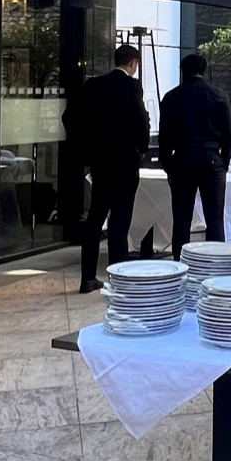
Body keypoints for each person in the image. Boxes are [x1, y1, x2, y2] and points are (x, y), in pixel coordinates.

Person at [64, 43, 150, 293]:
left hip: (100, 163)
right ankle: (118, 278)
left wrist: (86, 148)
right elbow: (140, 120)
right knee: (119, 222)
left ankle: (88, 278)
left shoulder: (93, 86)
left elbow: (69, 117)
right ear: (133, 63)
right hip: (125, 163)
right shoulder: (132, 86)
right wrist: (141, 148)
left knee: (94, 219)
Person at [159, 52, 231, 252]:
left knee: (182, 219)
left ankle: (180, 262)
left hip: (182, 158)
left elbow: (164, 137)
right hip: (211, 159)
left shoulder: (171, 97)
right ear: (204, 71)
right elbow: (228, 135)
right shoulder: (219, 95)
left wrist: (168, 165)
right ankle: (215, 260)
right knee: (215, 218)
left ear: (183, 72)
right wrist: (223, 162)